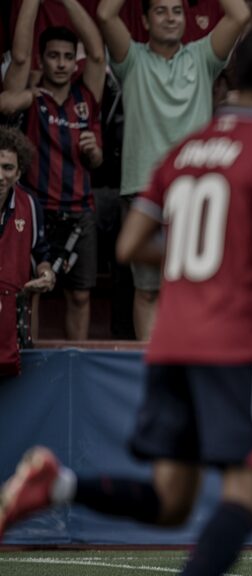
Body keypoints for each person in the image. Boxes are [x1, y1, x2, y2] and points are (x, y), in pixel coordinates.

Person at [0, 23, 252, 576]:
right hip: (231, 345)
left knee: (173, 501)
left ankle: (56, 485)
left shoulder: (187, 148)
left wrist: (199, 257)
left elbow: (130, 244)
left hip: (172, 339)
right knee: (248, 498)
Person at [97, 0, 250, 342]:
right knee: (148, 291)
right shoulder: (132, 59)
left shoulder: (201, 56)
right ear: (144, 20)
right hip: (144, 192)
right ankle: (153, 367)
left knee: (197, 288)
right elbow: (106, 13)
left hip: (196, 193)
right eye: (161, 11)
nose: (170, 18)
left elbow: (240, 14)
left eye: (177, 11)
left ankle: (193, 363)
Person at [3, 0, 105, 341]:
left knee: (80, 295)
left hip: (80, 211)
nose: (61, 63)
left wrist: (94, 152)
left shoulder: (86, 96)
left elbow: (96, 53)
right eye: (53, 56)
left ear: (74, 61)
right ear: (41, 59)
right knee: (32, 292)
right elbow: (8, 94)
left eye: (67, 57)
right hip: (39, 211)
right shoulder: (33, 97)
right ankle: (31, 358)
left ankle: (78, 362)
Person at [0, 127, 55, 376]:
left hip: (13, 330)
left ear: (19, 172)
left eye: (7, 168)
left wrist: (46, 275)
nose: (0, 176)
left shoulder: (30, 205)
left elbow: (41, 255)